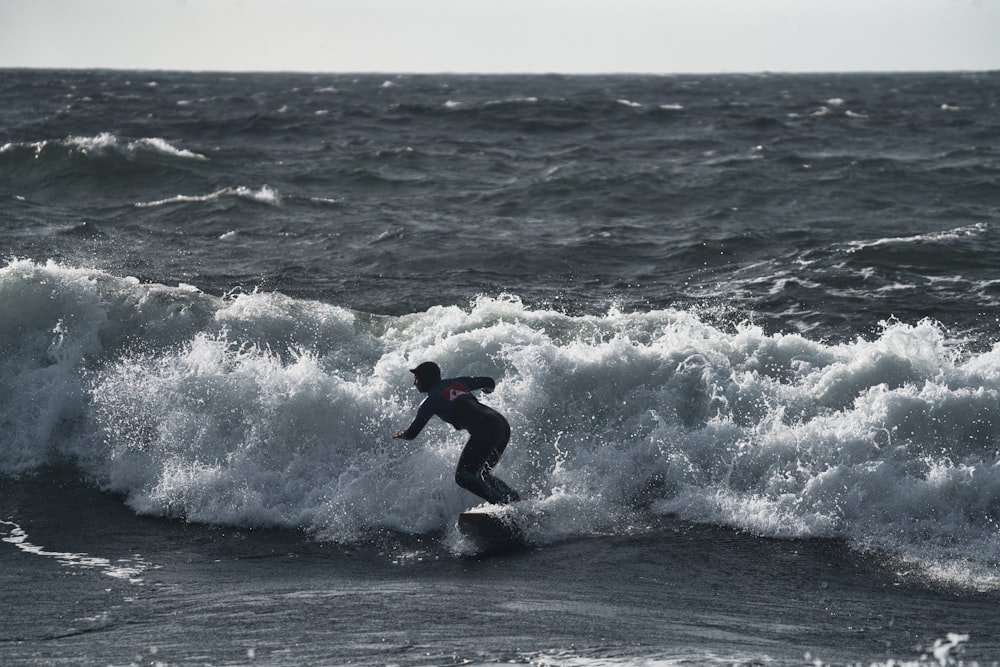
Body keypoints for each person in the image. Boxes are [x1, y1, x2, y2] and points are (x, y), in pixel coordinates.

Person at [393, 361, 522, 504]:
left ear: (425, 380)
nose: (414, 383)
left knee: (463, 476)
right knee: (481, 474)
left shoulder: (429, 403)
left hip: (486, 429)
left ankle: (502, 507)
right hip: (501, 424)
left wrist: (401, 434)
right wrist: (488, 389)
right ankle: (516, 500)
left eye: (416, 379)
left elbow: (411, 434)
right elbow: (489, 381)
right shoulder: (457, 382)